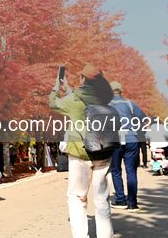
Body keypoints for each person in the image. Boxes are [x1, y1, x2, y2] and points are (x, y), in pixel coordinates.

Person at [49, 63, 114, 238]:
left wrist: (57, 86)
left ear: (83, 79)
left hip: (80, 152)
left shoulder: (74, 101)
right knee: (102, 200)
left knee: (77, 197)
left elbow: (53, 103)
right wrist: (69, 89)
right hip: (103, 152)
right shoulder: (105, 99)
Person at [108, 81, 146, 212]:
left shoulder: (107, 105)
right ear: (121, 91)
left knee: (116, 170)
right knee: (131, 171)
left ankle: (120, 200)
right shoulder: (130, 104)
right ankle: (132, 203)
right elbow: (144, 119)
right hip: (131, 138)